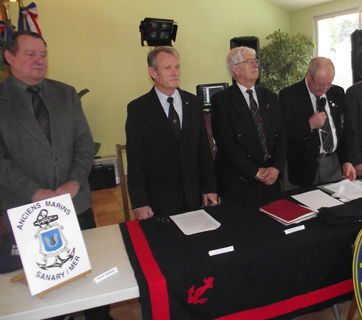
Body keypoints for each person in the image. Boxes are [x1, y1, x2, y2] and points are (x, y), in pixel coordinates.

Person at [0, 31, 111, 319]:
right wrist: (35, 192)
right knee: (46, 279)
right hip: (28, 209)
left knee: (92, 269)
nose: (39, 61)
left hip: (76, 203)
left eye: (43, 54)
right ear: (9, 56)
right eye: (30, 54)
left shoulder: (66, 92)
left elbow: (84, 143)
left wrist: (75, 179)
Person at [126, 46, 217, 221]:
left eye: (177, 67)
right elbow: (135, 160)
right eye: (168, 68)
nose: (175, 73)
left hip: (193, 197)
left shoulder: (194, 103)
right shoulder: (139, 109)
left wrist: (209, 187)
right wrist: (139, 202)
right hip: (159, 201)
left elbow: (203, 151)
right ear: (152, 72)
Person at [210, 46, 286, 201]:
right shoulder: (222, 100)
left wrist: (276, 167)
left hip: (270, 180)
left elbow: (281, 135)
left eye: (256, 61)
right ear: (235, 69)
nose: (256, 65)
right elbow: (226, 143)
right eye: (249, 61)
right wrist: (255, 172)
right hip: (239, 182)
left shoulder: (270, 97)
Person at [280, 57, 355, 189]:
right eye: (320, 84)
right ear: (308, 76)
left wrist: (347, 160)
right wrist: (308, 125)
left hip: (333, 164)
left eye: (329, 84)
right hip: (303, 168)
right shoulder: (289, 95)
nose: (325, 89)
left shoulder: (337, 93)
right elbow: (283, 134)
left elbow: (345, 130)